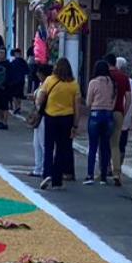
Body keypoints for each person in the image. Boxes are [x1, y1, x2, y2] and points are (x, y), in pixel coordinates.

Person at [37, 56, 77, 189]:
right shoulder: (73, 84)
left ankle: (47, 173)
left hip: (51, 117)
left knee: (49, 147)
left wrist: (39, 107)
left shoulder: (49, 80)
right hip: (67, 119)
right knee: (61, 149)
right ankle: (57, 180)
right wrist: (75, 125)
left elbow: (40, 98)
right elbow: (77, 107)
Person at [83, 57, 116, 185]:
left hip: (95, 114)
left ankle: (90, 174)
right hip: (108, 114)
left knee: (93, 146)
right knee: (105, 146)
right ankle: (103, 176)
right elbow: (113, 99)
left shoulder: (93, 83)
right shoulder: (111, 83)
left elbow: (88, 102)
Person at [110, 53, 132, 185]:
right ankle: (117, 172)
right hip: (120, 112)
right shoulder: (126, 79)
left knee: (104, 143)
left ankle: (104, 170)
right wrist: (124, 111)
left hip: (107, 111)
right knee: (116, 144)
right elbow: (129, 99)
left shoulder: (106, 76)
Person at [7, 45, 28, 113]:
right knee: (18, 95)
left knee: (16, 95)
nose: (16, 54)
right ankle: (18, 107)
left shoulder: (15, 62)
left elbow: (26, 70)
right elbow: (27, 71)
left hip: (17, 81)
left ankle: (17, 107)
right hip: (19, 80)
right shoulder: (21, 61)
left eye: (17, 53)